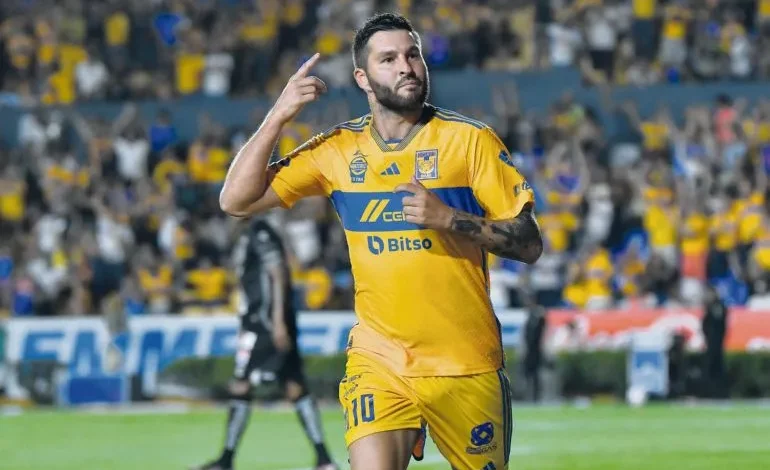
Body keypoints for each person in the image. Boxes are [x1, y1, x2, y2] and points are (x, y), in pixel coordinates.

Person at [219, 13, 543, 470]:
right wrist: (278, 116)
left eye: (413, 55)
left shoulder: (469, 141)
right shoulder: (337, 149)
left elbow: (529, 243)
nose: (406, 67)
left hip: (465, 362)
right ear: (362, 78)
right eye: (388, 59)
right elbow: (236, 200)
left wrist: (449, 218)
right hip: (380, 361)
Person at [193, 218, 337, 470]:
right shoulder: (251, 234)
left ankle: (226, 460)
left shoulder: (260, 232)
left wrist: (277, 320)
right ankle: (324, 459)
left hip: (264, 323)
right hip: (264, 320)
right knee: (294, 386)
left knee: (241, 385)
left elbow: (277, 272)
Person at [702, 284, 729, 399]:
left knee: (716, 367)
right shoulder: (709, 307)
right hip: (711, 343)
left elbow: (718, 325)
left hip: (716, 343)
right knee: (711, 368)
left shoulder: (718, 307)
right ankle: (711, 392)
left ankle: (719, 393)